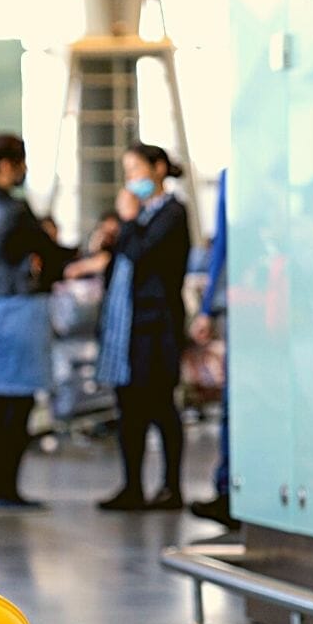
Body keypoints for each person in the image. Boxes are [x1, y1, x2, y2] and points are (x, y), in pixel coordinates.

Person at [67, 143, 194, 511]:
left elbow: (144, 255)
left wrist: (126, 222)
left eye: (137, 169)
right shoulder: (138, 219)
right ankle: (132, 486)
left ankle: (171, 487)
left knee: (160, 406)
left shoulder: (172, 213)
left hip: (157, 328)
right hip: (128, 329)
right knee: (130, 408)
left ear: (158, 169)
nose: (131, 179)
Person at [0, 131, 71, 510]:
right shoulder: (13, 210)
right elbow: (51, 253)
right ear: (8, 165)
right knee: (18, 403)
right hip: (19, 308)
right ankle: (5, 488)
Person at [190, 169, 236, 528]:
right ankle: (229, 487)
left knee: (237, 407)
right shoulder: (235, 177)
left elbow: (222, 247)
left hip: (256, 311)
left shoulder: (238, 178)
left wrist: (207, 307)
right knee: (234, 406)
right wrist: (206, 307)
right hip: (251, 309)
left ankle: (230, 488)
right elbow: (220, 247)